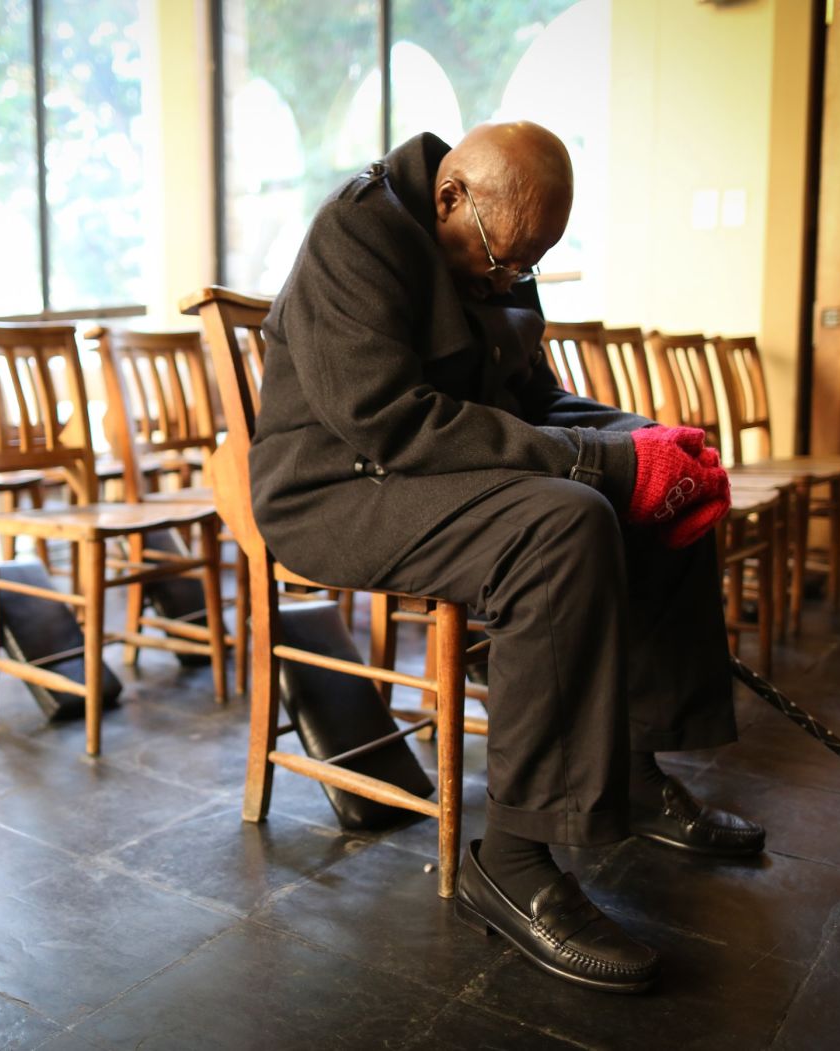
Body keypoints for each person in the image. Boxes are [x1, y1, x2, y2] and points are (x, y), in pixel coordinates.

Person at [249, 122, 765, 995]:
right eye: (500, 260)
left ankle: (636, 770)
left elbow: (536, 398)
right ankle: (514, 860)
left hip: (427, 473)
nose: (504, 279)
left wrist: (642, 441)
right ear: (451, 196)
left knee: (659, 488)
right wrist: (605, 464)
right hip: (337, 487)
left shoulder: (494, 249)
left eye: (527, 264)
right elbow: (390, 419)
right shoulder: (359, 229)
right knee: (563, 522)